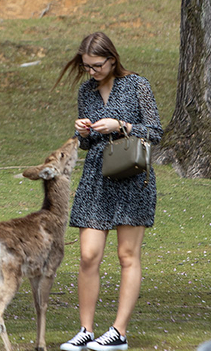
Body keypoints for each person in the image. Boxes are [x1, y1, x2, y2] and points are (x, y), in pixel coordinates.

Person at [58, 32, 162, 351]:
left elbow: (155, 132)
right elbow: (88, 144)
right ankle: (85, 330)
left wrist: (121, 125)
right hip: (96, 179)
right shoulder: (86, 91)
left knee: (127, 255)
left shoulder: (137, 85)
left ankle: (118, 332)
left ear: (112, 60)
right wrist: (83, 133)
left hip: (131, 177)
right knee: (88, 255)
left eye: (97, 66)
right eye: (87, 66)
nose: (92, 72)